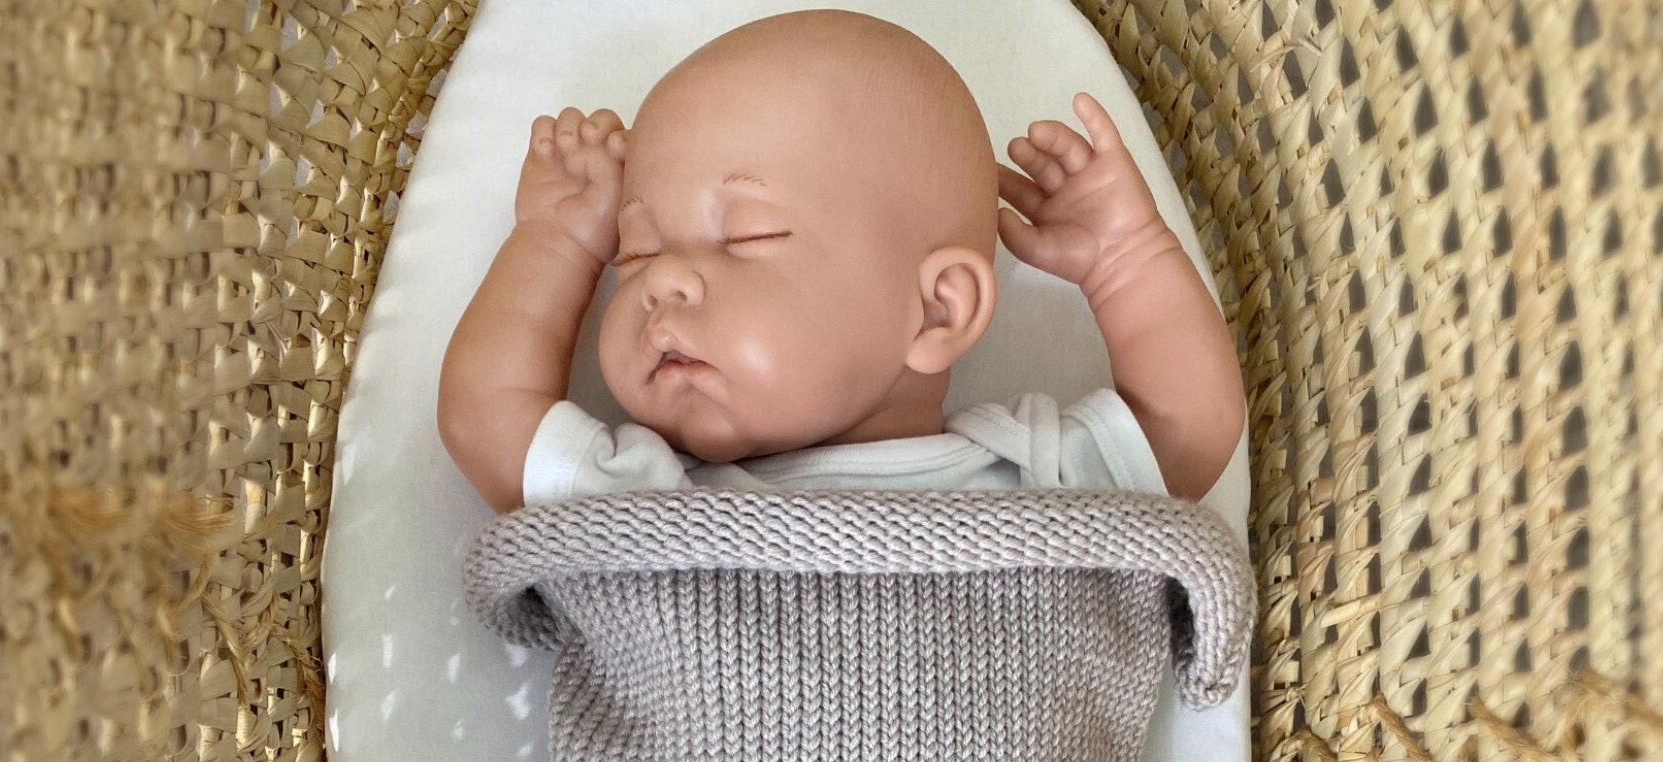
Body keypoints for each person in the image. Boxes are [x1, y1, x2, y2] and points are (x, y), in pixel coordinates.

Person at [436, 8, 1244, 514]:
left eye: (748, 237)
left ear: (937, 310)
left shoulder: (1031, 480)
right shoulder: (652, 500)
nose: (661, 281)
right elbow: (485, 420)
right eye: (636, 250)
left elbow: (1188, 431)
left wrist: (1128, 259)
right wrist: (556, 243)